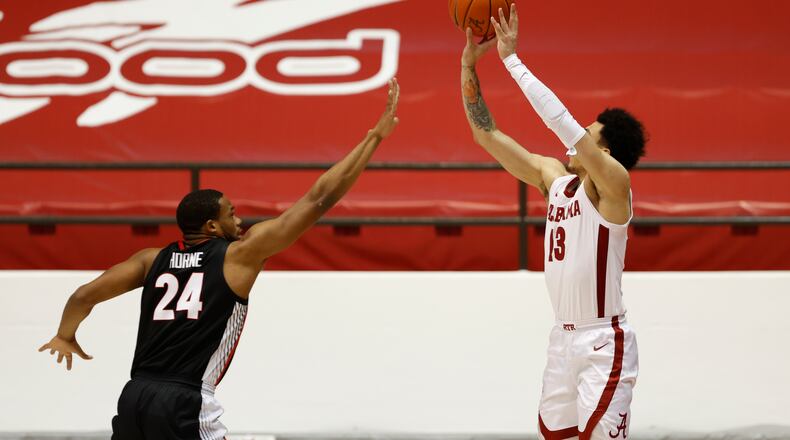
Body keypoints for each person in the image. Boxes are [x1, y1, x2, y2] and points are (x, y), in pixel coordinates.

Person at [38, 79, 400, 440]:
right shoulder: (239, 256)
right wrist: (375, 138)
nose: (239, 220)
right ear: (212, 225)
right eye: (232, 213)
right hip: (185, 400)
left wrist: (65, 336)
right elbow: (318, 200)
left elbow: (84, 295)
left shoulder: (150, 260)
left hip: (135, 396)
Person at [460, 5, 646, 439]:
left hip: (604, 342)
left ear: (605, 154)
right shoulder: (554, 182)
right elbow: (484, 134)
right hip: (561, 341)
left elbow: (561, 123)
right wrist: (468, 65)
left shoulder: (614, 188)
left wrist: (512, 61)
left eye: (588, 134)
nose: (577, 135)